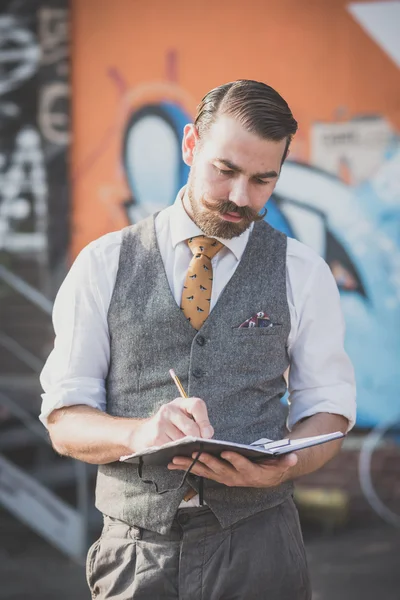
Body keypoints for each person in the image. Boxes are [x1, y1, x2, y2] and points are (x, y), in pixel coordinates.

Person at [40, 79, 356, 600]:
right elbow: (64, 421)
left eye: (262, 180)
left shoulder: (304, 271)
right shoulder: (103, 262)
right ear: (190, 145)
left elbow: (329, 409)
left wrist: (288, 465)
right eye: (225, 170)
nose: (240, 197)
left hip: (261, 546)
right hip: (135, 552)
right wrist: (138, 435)